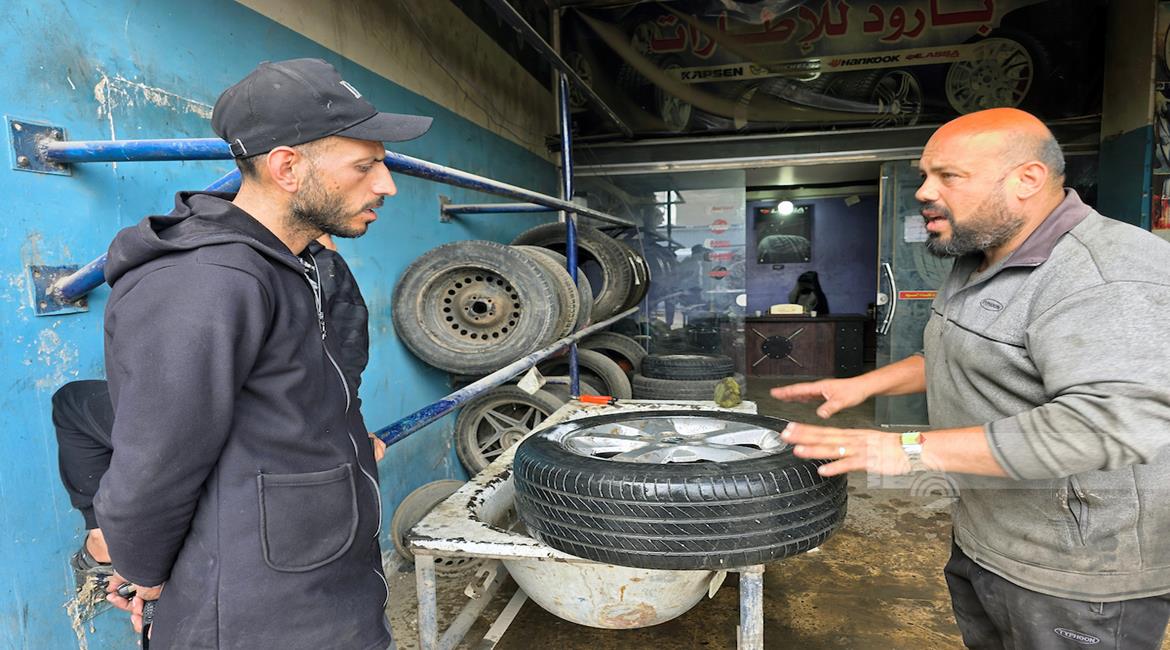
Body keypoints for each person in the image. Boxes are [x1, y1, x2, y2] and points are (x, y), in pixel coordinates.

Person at [772, 108, 1170, 649]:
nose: (923, 192)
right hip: (988, 534)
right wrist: (863, 385)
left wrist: (906, 450)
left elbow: (1107, 425)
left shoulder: (1107, 275)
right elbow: (958, 354)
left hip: (1077, 572)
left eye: (948, 176)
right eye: (924, 176)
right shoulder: (978, 257)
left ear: (1027, 179)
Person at [94, 58, 431, 650]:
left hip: (323, 587)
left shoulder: (299, 266)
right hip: (253, 615)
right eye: (365, 165)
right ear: (286, 167)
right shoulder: (207, 280)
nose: (387, 184)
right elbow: (153, 463)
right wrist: (144, 571)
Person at [54, 236, 382, 592]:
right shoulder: (329, 273)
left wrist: (145, 571)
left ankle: (103, 539)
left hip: (244, 446)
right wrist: (348, 428)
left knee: (74, 404)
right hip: (306, 440)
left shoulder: (224, 261)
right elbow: (344, 367)